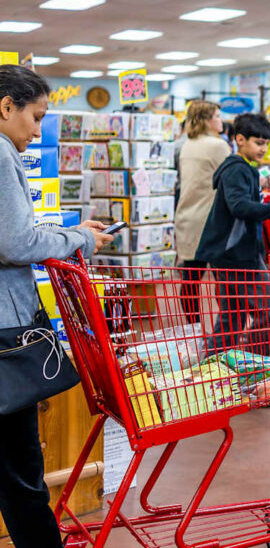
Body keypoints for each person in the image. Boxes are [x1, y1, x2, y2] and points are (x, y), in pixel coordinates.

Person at [0, 65, 113, 548]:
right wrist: (80, 238)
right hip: (5, 335)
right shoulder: (1, 153)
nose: (38, 130)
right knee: (21, 467)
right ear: (7, 107)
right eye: (37, 117)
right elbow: (15, 241)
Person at [196, 113, 270, 355]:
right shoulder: (238, 170)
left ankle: (217, 368)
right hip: (239, 254)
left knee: (232, 316)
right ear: (240, 139)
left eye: (266, 143)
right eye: (258, 142)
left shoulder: (240, 168)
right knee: (266, 313)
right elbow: (239, 207)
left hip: (228, 253)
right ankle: (253, 368)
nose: (264, 148)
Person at [174, 100, 230, 324]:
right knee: (223, 281)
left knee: (191, 279)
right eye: (217, 116)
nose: (221, 120)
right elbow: (231, 179)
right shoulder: (218, 146)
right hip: (212, 219)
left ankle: (193, 328)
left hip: (187, 217)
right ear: (207, 120)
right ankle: (225, 330)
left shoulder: (188, 144)